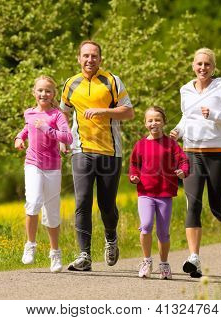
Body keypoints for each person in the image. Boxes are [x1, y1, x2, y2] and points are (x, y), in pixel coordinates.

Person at [170, 48, 221, 278]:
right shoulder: (185, 89)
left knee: (216, 207)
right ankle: (194, 257)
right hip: (192, 152)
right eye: (199, 64)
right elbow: (187, 116)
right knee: (192, 205)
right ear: (193, 65)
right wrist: (178, 130)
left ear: (213, 67)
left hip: (218, 153)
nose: (202, 68)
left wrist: (216, 115)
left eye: (207, 64)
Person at [60, 40, 134, 271]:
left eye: (94, 56)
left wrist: (104, 111)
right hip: (81, 150)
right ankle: (84, 255)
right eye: (85, 55)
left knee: (106, 205)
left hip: (110, 152)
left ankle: (111, 238)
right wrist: (63, 138)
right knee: (82, 201)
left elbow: (129, 112)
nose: (89, 59)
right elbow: (62, 113)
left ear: (100, 59)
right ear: (78, 58)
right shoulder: (71, 84)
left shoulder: (111, 81)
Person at [15, 75, 73, 272]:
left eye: (48, 91)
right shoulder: (29, 113)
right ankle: (30, 245)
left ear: (53, 94)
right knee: (33, 201)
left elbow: (67, 137)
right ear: (34, 92)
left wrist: (47, 128)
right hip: (33, 164)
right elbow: (27, 128)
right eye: (40, 90)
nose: (43, 94)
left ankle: (55, 253)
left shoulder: (57, 116)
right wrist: (19, 137)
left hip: (52, 167)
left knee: (52, 212)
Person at [129, 106, 189, 279]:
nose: (154, 123)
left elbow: (183, 160)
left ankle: (164, 264)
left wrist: (182, 171)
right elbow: (134, 165)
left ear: (163, 122)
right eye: (150, 120)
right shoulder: (140, 145)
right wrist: (134, 176)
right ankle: (147, 261)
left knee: (163, 232)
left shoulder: (171, 144)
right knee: (146, 225)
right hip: (145, 192)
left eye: (157, 119)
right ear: (145, 123)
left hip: (164, 193)